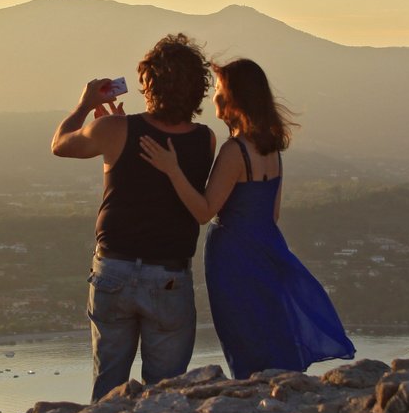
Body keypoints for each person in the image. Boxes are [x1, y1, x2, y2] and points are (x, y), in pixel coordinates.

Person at [139, 57, 354, 379]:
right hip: (268, 249)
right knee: (268, 332)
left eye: (220, 88)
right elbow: (273, 213)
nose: (214, 95)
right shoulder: (270, 149)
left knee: (244, 338)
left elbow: (203, 211)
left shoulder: (235, 151)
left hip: (234, 259)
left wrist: (172, 170)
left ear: (234, 97)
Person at [51, 33, 216, 400]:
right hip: (170, 276)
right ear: (196, 89)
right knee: (166, 395)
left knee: (108, 389)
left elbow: (60, 144)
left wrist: (83, 106)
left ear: (148, 84)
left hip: (114, 270)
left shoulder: (113, 130)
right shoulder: (206, 139)